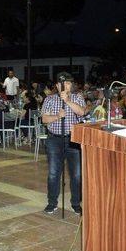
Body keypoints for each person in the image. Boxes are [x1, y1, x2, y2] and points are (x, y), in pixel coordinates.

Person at [40, 71, 85, 215]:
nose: (65, 85)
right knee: (54, 173)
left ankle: (76, 203)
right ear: (56, 86)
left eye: (68, 83)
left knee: (76, 174)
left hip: (73, 140)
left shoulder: (77, 97)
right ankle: (52, 202)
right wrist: (57, 116)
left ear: (71, 85)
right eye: (62, 83)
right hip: (54, 139)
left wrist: (67, 101)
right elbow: (44, 119)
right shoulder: (49, 99)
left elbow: (81, 112)